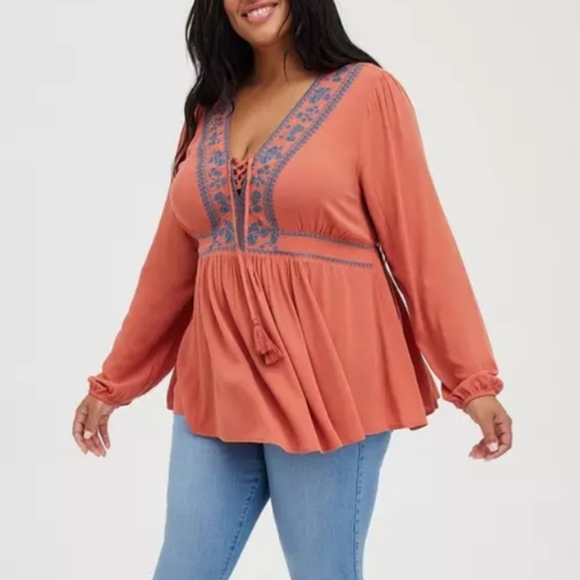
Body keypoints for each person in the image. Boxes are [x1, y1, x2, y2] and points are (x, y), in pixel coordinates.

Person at [72, 0, 513, 578]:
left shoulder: (367, 94)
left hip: (330, 381)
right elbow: (170, 269)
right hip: (219, 382)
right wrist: (116, 381)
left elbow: (421, 243)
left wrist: (471, 379)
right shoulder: (209, 110)